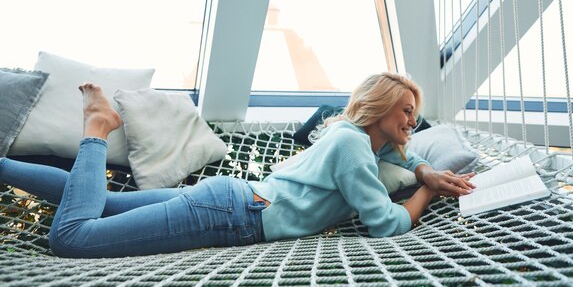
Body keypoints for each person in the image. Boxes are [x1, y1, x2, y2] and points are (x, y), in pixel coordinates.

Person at [0, 73, 475, 258]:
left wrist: (424, 171)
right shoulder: (353, 150)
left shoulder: (355, 140)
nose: (413, 121)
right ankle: (98, 128)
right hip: (232, 215)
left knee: (99, 204)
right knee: (71, 237)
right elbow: (387, 224)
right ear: (380, 108)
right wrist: (428, 192)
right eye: (406, 111)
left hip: (233, 201)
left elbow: (407, 160)